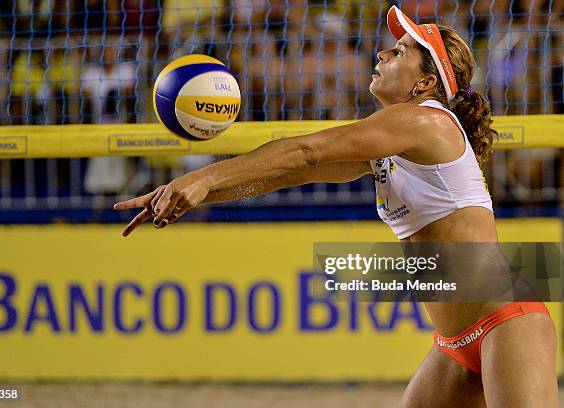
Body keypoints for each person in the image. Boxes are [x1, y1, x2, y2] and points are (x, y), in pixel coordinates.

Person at [114, 6, 557, 407]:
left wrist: (204, 177)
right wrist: (190, 195)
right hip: (455, 341)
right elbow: (291, 174)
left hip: (505, 320)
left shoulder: (424, 120)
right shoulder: (392, 145)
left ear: (425, 83)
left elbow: (307, 152)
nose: (383, 53)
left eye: (400, 51)